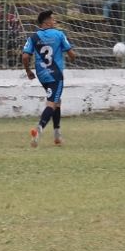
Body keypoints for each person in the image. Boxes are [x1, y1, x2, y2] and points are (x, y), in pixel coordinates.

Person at [22, 10, 76, 148]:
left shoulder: (33, 37)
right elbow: (72, 55)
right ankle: (39, 130)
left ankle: (57, 136)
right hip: (56, 74)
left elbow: (25, 56)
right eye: (53, 19)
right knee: (51, 104)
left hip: (42, 75)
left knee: (57, 101)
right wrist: (71, 54)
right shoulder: (59, 34)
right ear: (46, 22)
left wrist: (28, 71)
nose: (55, 22)